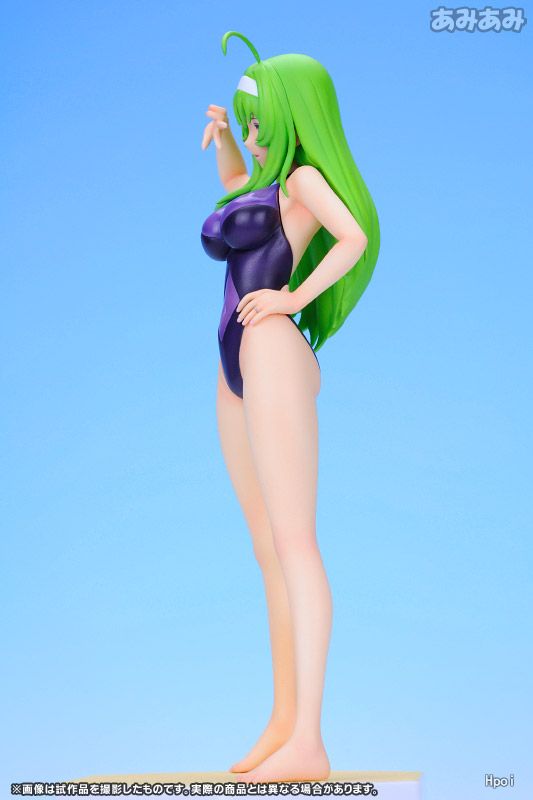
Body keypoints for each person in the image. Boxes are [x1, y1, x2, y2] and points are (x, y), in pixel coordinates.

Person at [200, 31, 380, 783]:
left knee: (295, 542)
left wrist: (293, 298)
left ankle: (310, 739)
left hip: (271, 349)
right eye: (246, 122)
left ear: (291, 115)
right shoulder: (265, 180)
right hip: (234, 363)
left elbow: (354, 236)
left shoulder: (304, 179)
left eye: (259, 121)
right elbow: (239, 196)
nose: (252, 135)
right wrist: (224, 142)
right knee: (266, 548)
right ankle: (282, 721)